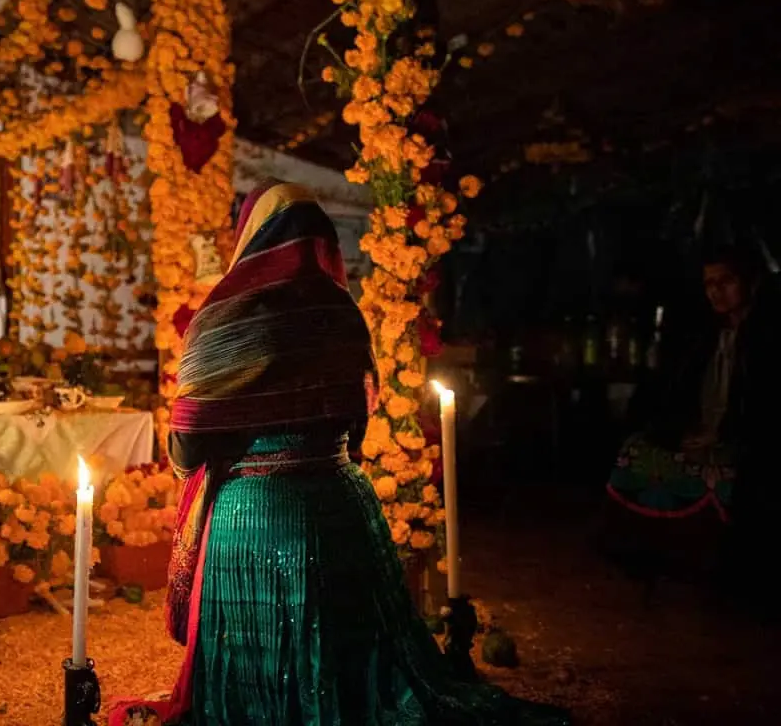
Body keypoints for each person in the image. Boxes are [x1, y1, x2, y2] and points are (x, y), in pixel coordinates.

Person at [110, 181, 568, 726]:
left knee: (261, 660)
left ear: (249, 236)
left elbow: (188, 444)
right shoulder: (342, 315)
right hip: (340, 507)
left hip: (251, 518)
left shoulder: (224, 318)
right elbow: (359, 425)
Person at [603, 247, 778, 583]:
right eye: (709, 283)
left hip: (747, 439)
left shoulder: (767, 337)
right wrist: (679, 433)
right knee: (635, 450)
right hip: (701, 433)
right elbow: (675, 391)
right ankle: (648, 553)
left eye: (726, 281)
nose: (716, 291)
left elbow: (766, 405)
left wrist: (725, 434)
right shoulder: (702, 335)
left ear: (749, 283)